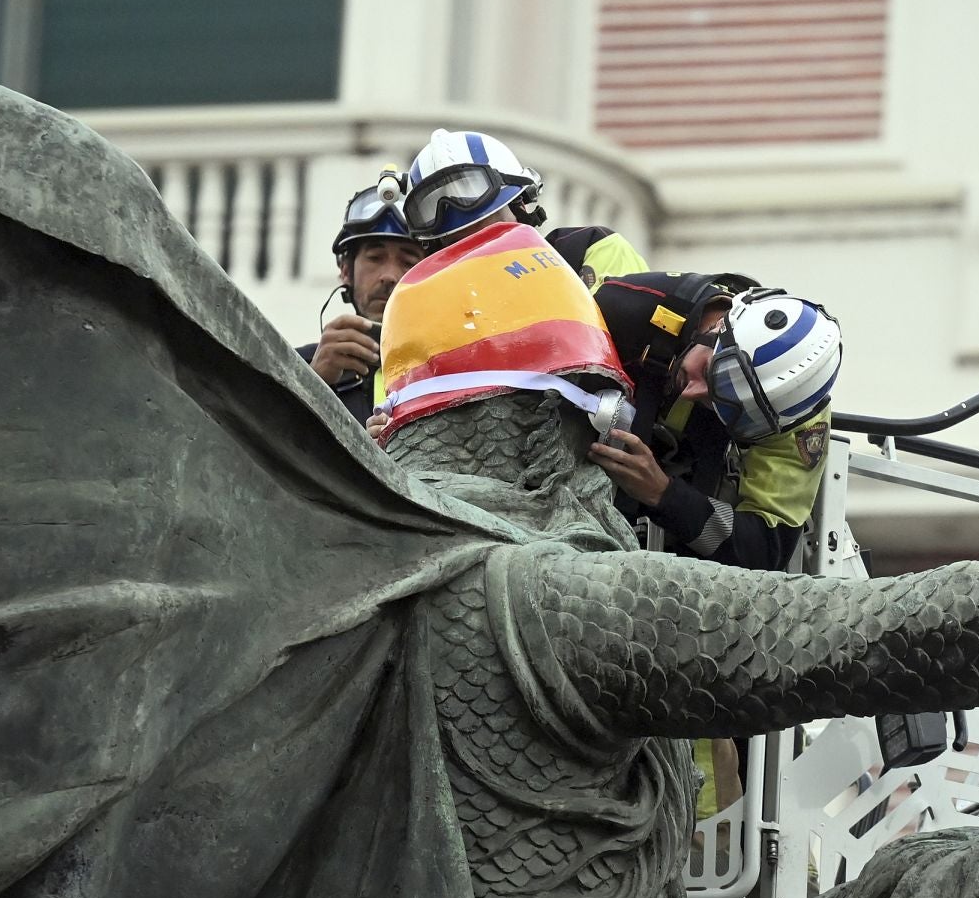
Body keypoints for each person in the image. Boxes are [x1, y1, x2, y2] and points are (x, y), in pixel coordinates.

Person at [591, 271, 839, 573]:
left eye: (728, 407)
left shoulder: (793, 425)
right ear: (720, 325)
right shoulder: (626, 305)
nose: (692, 392)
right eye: (710, 372)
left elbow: (763, 551)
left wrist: (665, 495)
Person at [391, 128, 649, 280]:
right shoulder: (429, 307)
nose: (473, 245)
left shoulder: (587, 251)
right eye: (457, 241)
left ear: (520, 205)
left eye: (488, 230)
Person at [300, 181, 423, 421]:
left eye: (408, 262)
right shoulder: (296, 366)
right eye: (375, 258)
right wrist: (311, 383)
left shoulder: (453, 375)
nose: (389, 276)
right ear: (346, 271)